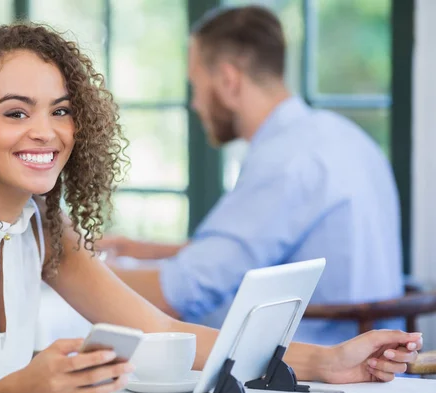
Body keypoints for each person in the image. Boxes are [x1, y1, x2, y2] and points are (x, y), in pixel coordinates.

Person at [0, 23, 421, 393]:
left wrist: (327, 360)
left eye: (61, 111)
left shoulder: (41, 225)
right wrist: (27, 390)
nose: (46, 131)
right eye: (16, 112)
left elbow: (161, 330)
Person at [101, 5, 404, 345]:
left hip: (306, 360)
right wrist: (137, 249)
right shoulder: (340, 136)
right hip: (359, 348)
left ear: (229, 81)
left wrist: (74, 270)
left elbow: (183, 290)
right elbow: (252, 248)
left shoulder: (285, 159)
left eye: (196, 86)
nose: (196, 104)